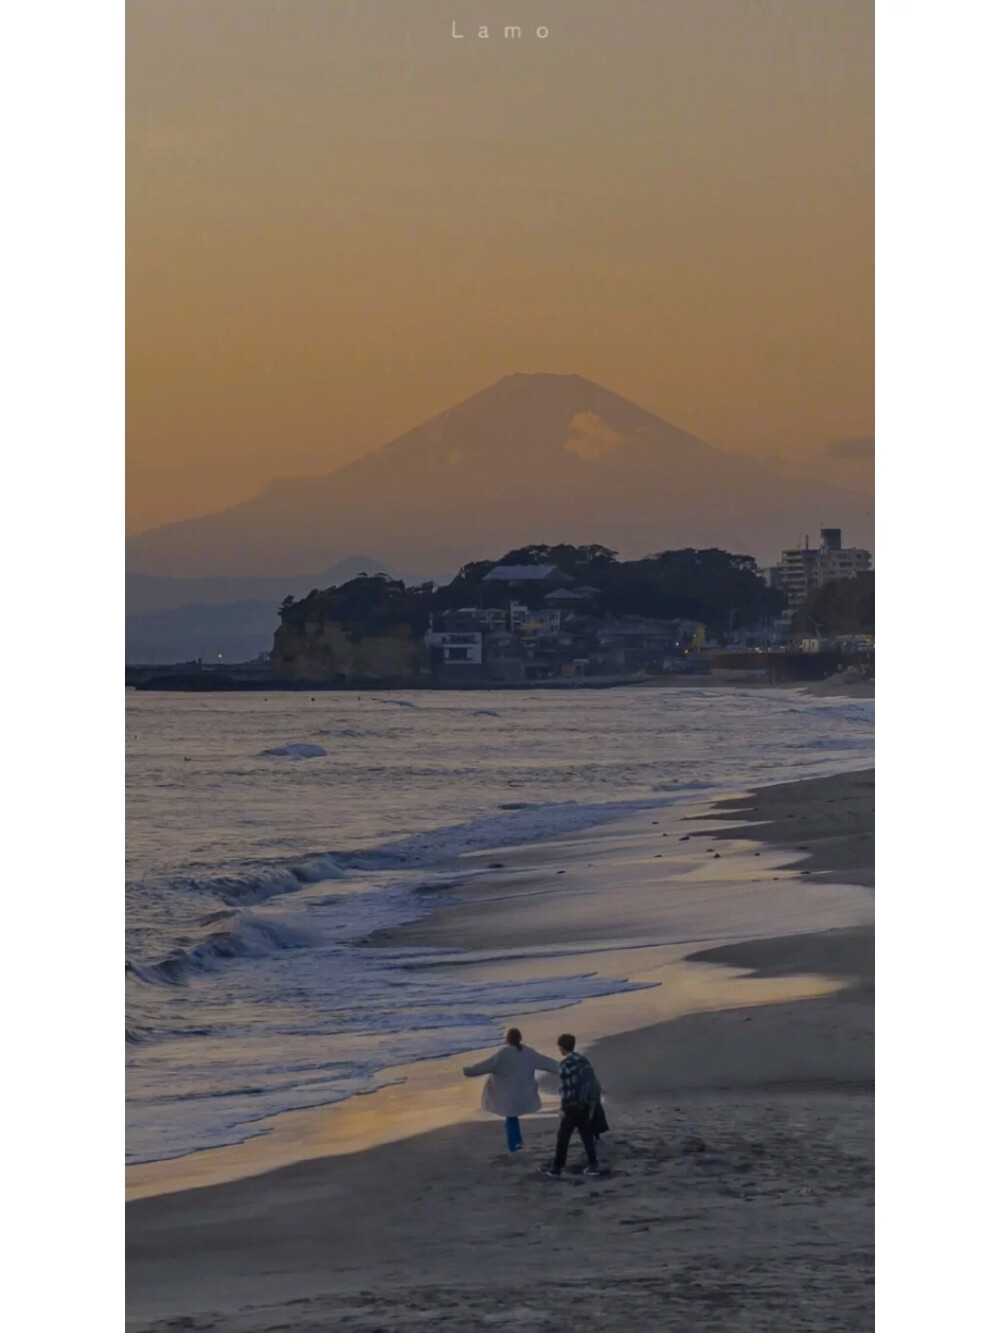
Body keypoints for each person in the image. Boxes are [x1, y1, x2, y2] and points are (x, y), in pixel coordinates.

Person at [463, 1028, 560, 1153]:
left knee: (511, 1118)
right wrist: (565, 1067)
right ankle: (516, 1142)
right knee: (512, 1118)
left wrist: (467, 1071)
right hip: (522, 1091)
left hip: (507, 1094)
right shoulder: (529, 1053)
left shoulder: (503, 1054)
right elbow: (548, 1063)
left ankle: (515, 1144)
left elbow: (484, 1066)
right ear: (520, 1038)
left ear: (507, 1039)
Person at [540, 1033, 602, 1177]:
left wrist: (562, 1108)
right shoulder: (583, 1060)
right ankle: (593, 1165)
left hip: (571, 1106)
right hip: (585, 1104)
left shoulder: (565, 1064)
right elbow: (592, 1082)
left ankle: (557, 1167)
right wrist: (592, 1104)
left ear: (561, 1047)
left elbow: (566, 1089)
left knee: (563, 1137)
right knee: (587, 1136)